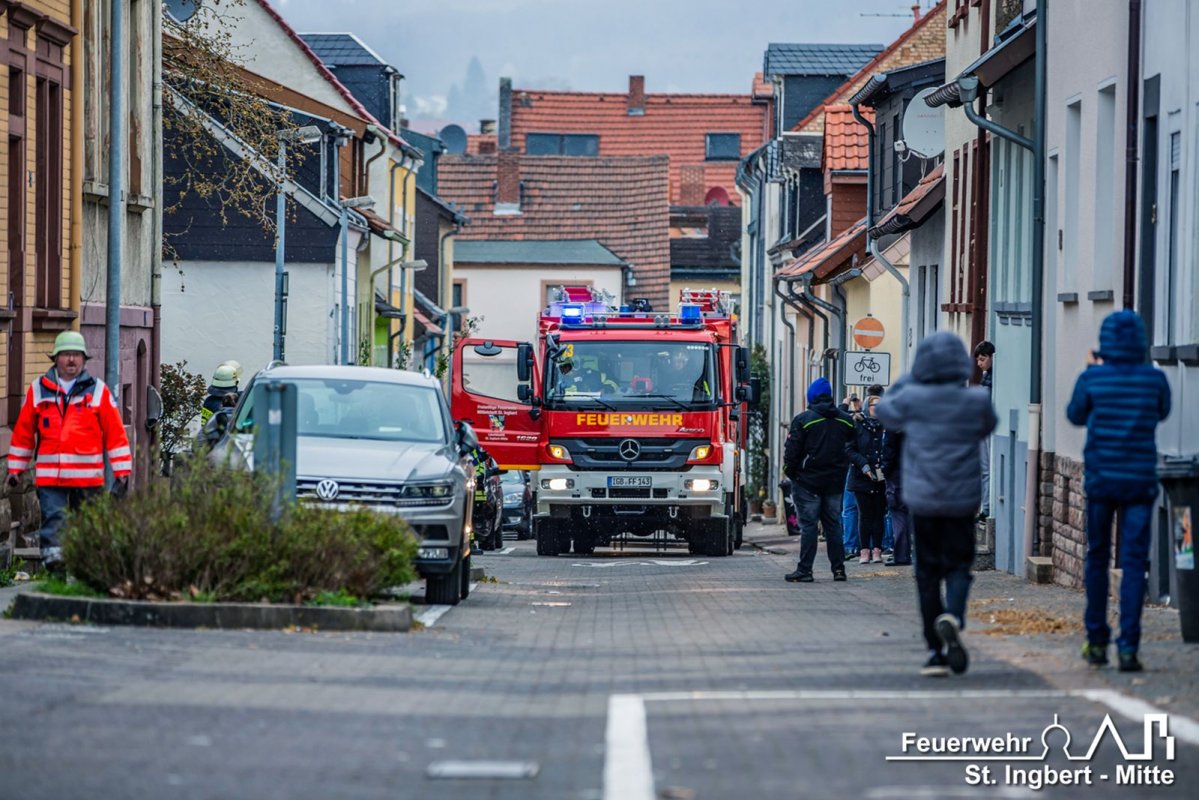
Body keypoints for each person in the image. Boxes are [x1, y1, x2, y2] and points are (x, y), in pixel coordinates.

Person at [877, 332, 996, 677]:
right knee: (959, 564)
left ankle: (934, 649)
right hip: (962, 500)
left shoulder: (912, 398)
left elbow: (885, 411)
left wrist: (909, 379)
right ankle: (954, 617)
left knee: (926, 573)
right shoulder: (975, 401)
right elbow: (989, 423)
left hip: (923, 500)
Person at [1067, 310, 1170, 673]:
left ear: (1106, 341)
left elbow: (1075, 415)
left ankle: (1096, 640)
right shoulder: (1154, 379)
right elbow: (1162, 412)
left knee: (1097, 556)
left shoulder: (1092, 378)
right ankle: (1129, 647)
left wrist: (1093, 370)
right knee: (1132, 562)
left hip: (1101, 481)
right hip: (1140, 482)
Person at [6, 331, 132, 571]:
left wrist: (122, 471)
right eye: (66, 355)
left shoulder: (98, 392)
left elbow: (115, 435)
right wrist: (15, 469)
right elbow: (23, 434)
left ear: (84, 359)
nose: (71, 360)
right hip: (50, 479)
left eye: (76, 355)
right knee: (54, 524)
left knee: (89, 526)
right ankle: (57, 574)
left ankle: (88, 572)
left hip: (88, 480)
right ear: (56, 359)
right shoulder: (38, 390)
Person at [782, 377, 855, 583]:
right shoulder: (845, 420)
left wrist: (792, 473)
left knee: (809, 527)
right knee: (834, 526)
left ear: (811, 397)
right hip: (835, 482)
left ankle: (805, 570)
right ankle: (839, 570)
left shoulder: (804, 420)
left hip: (807, 483)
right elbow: (851, 447)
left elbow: (792, 452)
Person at [846, 395, 887, 564]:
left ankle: (877, 549)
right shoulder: (857, 424)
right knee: (864, 515)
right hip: (861, 476)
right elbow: (849, 449)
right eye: (873, 405)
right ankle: (864, 551)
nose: (877, 408)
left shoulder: (886, 425)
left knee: (879, 514)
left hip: (881, 476)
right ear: (866, 407)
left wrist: (884, 466)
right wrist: (864, 465)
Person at [881, 426, 912, 566]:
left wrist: (885, 470)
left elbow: (889, 449)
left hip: (898, 474)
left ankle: (901, 554)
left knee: (899, 514)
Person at [973, 341, 995, 520]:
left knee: (986, 469)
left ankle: (986, 507)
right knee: (984, 469)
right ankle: (985, 506)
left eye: (983, 359)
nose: (980, 364)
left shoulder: (992, 377)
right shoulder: (987, 375)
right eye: (978, 360)